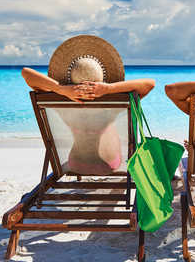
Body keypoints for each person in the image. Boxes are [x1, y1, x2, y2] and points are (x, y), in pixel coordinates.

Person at [22, 35, 155, 175]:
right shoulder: (113, 106)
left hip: (75, 164)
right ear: (102, 78)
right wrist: (108, 89)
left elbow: (26, 73)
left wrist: (61, 89)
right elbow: (150, 84)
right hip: (109, 166)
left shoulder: (60, 102)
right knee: (111, 127)